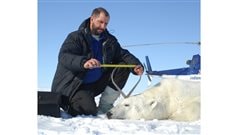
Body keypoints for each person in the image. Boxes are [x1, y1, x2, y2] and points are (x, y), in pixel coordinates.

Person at [51, 7, 144, 117]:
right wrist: (83, 62)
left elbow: (122, 54)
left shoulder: (110, 40)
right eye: (100, 22)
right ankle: (67, 103)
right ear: (92, 19)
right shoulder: (75, 37)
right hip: (74, 86)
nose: (103, 26)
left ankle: (105, 105)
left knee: (124, 66)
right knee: (88, 110)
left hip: (96, 84)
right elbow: (65, 56)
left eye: (106, 23)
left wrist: (136, 65)